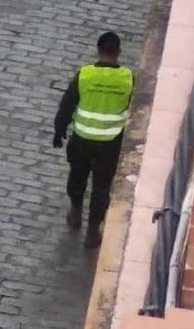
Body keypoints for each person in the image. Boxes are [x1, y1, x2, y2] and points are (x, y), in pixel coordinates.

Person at [53, 31, 134, 249]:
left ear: (98, 51)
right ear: (118, 52)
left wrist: (59, 130)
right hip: (110, 142)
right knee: (101, 186)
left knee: (77, 176)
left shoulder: (85, 74)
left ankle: (76, 211)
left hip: (82, 138)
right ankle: (92, 232)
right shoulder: (127, 78)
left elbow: (67, 105)